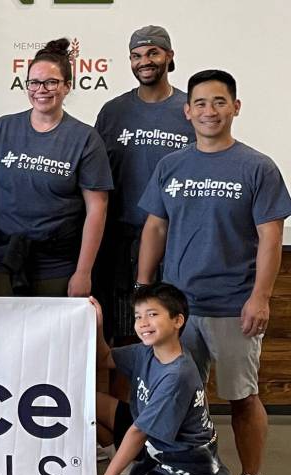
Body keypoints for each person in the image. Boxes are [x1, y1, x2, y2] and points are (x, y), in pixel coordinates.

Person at [137, 69, 291, 475]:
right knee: (178, 398)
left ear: (235, 108)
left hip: (232, 306)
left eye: (220, 102)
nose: (210, 111)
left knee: (242, 397)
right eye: (201, 103)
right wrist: (144, 290)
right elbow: (155, 227)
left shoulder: (257, 167)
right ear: (187, 111)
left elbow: (270, 238)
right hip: (178, 311)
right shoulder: (171, 165)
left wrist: (260, 297)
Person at [0, 38, 112, 297]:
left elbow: (97, 208)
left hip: (56, 265)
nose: (41, 90)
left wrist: (83, 272)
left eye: (51, 82)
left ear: (67, 86)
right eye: (34, 82)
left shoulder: (85, 138)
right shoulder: (3, 128)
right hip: (1, 260)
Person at [92, 283, 223, 475]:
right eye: (138, 316)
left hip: (183, 464)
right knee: (90, 402)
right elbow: (104, 359)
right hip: (156, 444)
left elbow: (138, 432)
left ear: (177, 321)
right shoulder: (145, 351)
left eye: (152, 314)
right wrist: (97, 327)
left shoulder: (177, 375)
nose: (143, 323)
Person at [94, 26, 194, 340]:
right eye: (136, 56)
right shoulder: (113, 112)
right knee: (125, 336)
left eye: (153, 53)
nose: (144, 61)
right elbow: (96, 179)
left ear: (169, 56)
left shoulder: (190, 111)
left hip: (176, 244)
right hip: (120, 247)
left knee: (174, 337)